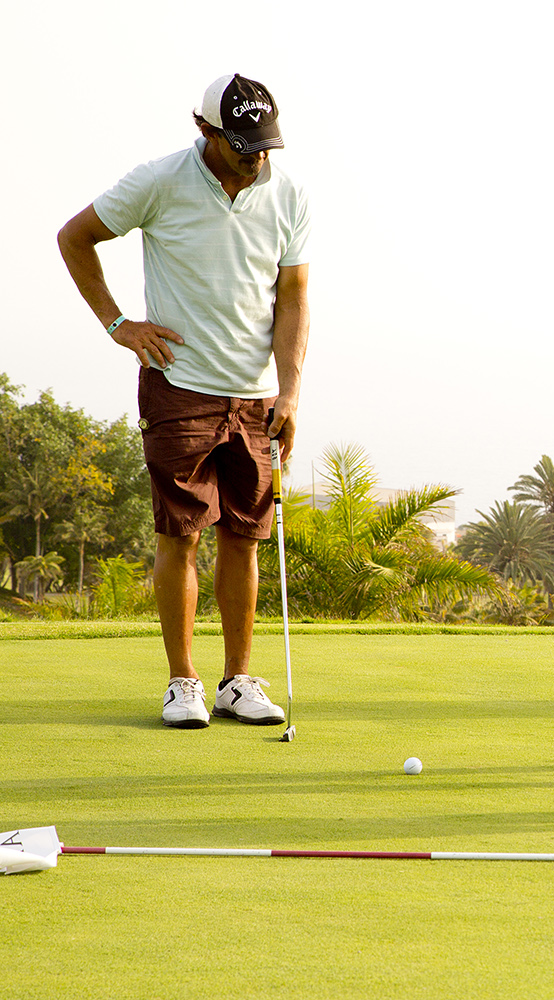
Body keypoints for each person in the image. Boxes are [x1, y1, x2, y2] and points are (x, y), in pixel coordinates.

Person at [58, 74, 311, 729]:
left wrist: (289, 390)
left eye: (263, 144)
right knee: (181, 533)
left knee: (245, 538)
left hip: (255, 398)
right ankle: (183, 683)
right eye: (242, 145)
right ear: (204, 131)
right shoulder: (159, 182)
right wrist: (120, 326)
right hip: (179, 387)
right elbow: (75, 238)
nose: (257, 157)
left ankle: (238, 681)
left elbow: (294, 302)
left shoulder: (287, 194)